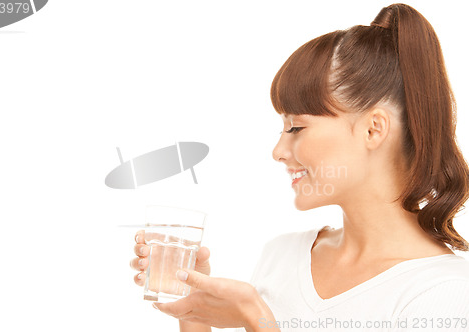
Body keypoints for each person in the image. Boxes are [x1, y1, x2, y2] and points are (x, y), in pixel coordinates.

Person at [130, 3, 469, 331]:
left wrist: (256, 318)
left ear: (373, 129)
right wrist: (194, 312)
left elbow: (258, 318)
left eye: (296, 128)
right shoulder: (283, 256)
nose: (278, 151)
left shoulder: (443, 292)